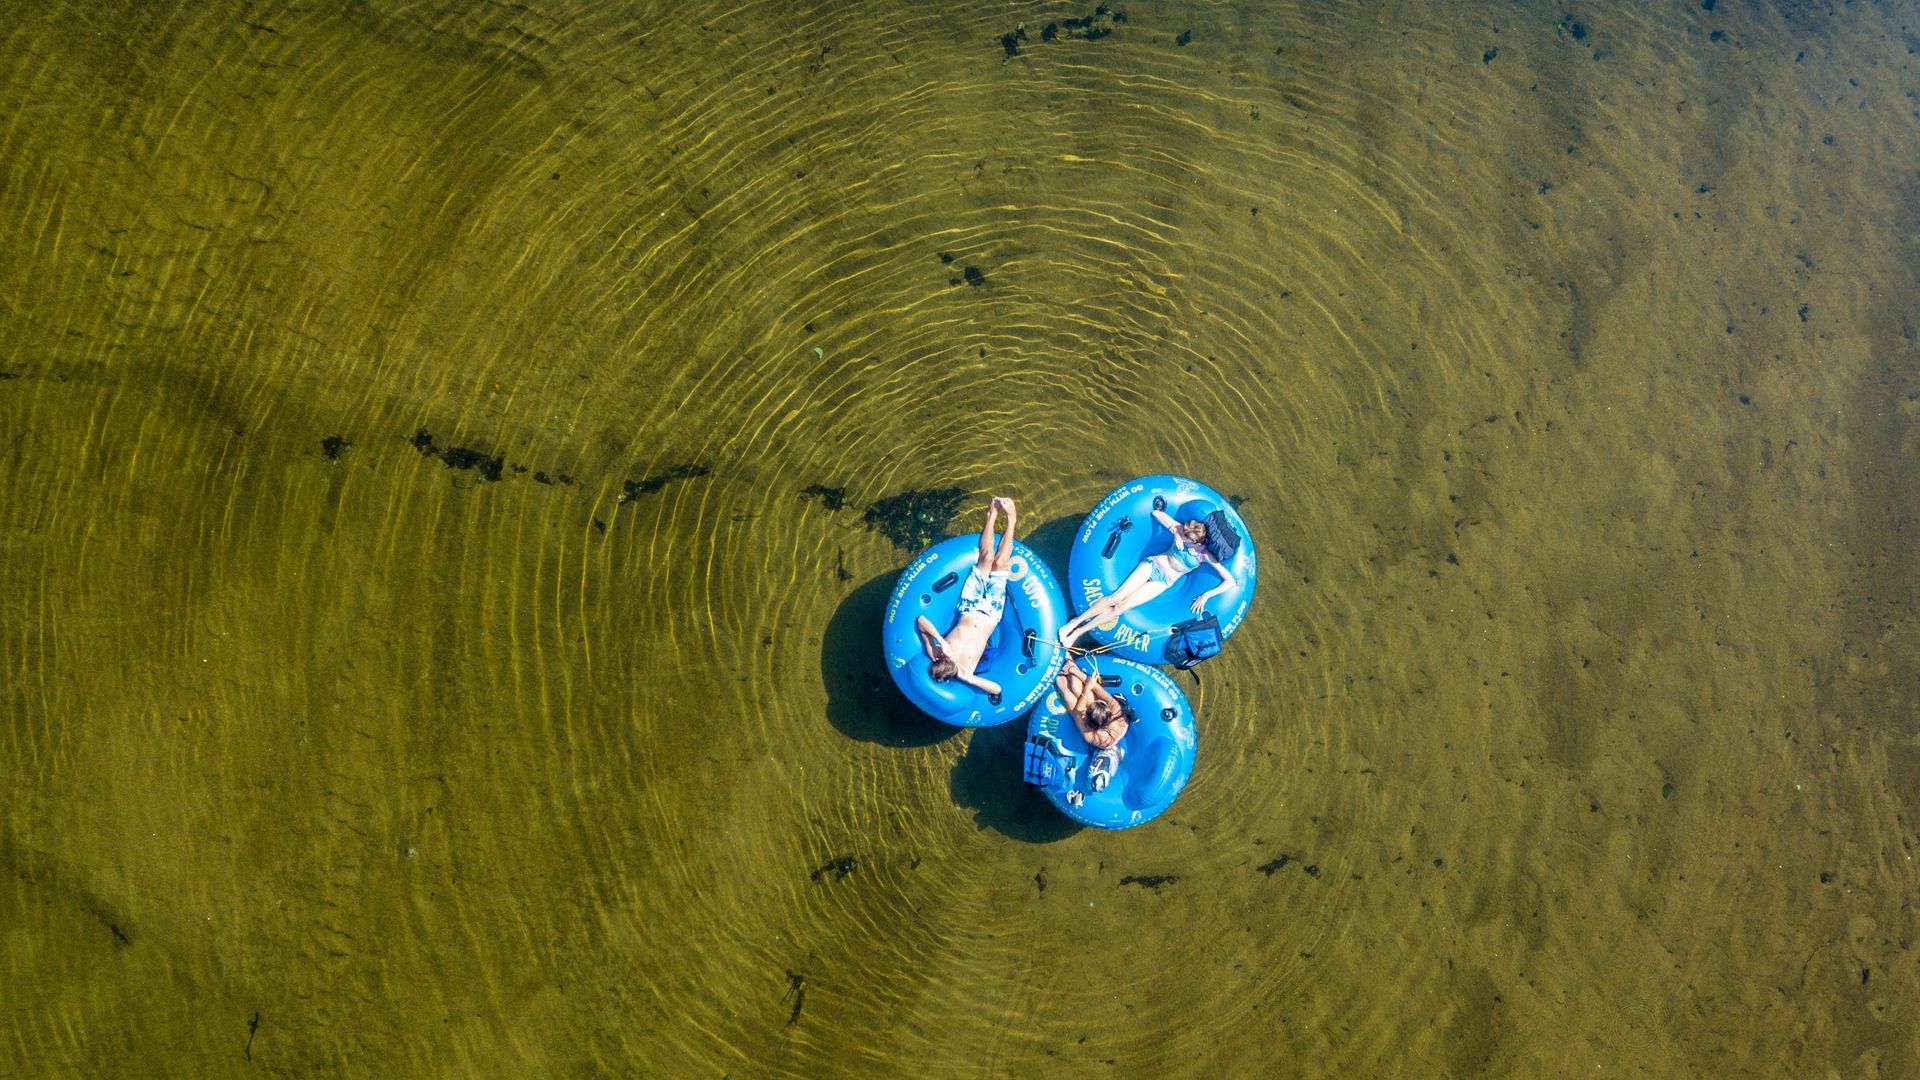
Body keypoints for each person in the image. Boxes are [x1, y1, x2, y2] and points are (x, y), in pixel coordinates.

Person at [1057, 505, 1238, 647]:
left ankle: (1078, 633)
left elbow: (1230, 581)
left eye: (1185, 537)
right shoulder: (1181, 531)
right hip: (1153, 565)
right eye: (1182, 532)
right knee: (1115, 597)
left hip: (1164, 581)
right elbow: (1156, 513)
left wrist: (1206, 595)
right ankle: (1074, 623)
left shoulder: (1205, 555)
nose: (1182, 535)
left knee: (1121, 607)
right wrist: (1175, 532)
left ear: (1195, 541)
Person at [916, 496, 1019, 696]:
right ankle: (1012, 520)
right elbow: (997, 689)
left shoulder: (937, 654)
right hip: (991, 614)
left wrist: (941, 641)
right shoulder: (965, 671)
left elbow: (921, 621)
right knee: (999, 564)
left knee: (987, 558)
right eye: (950, 663)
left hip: (969, 607)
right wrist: (968, 678)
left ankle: (992, 515)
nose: (949, 658)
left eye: (946, 660)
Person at [1055, 656, 1130, 802]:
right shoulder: (1117, 711)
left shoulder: (1090, 736)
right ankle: (1068, 659)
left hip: (1105, 741)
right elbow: (1097, 688)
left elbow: (1078, 711)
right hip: (1109, 730)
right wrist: (1075, 672)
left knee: (1070, 697)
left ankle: (1058, 672)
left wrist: (1087, 687)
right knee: (1079, 689)